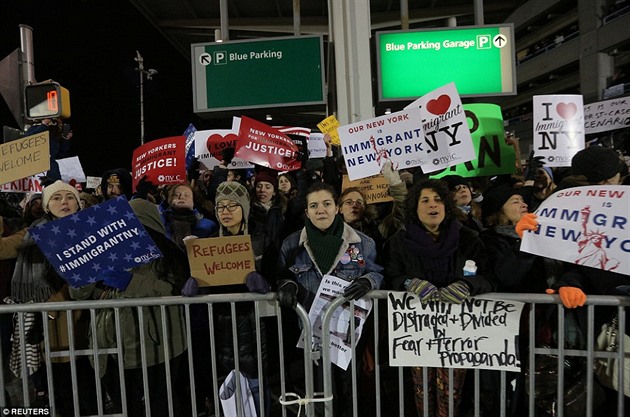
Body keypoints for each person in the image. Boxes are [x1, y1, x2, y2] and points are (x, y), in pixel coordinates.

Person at [69, 198, 190, 417]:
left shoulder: (168, 257)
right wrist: (87, 274)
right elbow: (78, 294)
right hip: (109, 349)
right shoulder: (105, 252)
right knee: (124, 408)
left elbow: (175, 290)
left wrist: (131, 283)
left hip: (156, 349)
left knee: (161, 406)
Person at [384, 179, 494, 417]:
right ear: (415, 207)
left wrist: (467, 284)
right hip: (417, 336)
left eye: (438, 200)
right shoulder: (399, 243)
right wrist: (408, 283)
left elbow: (489, 277)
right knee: (421, 392)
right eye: (425, 200)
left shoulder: (469, 239)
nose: (432, 205)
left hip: (459, 336)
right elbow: (391, 275)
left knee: (454, 395)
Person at [276, 181, 383, 416]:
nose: (320, 210)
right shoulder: (292, 245)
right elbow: (282, 276)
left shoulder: (363, 243)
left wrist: (369, 281)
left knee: (348, 391)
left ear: (337, 207)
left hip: (347, 338)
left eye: (326, 204)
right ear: (306, 212)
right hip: (309, 335)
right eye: (313, 206)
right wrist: (286, 285)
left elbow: (377, 272)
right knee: (315, 393)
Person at [4, 180, 96, 415]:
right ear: (46, 205)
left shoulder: (92, 229)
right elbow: (5, 247)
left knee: (85, 377)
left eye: (69, 197)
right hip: (51, 323)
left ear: (78, 203)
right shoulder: (34, 232)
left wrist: (55, 302)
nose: (63, 202)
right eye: (56, 198)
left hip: (83, 317)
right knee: (59, 380)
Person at [186, 180, 277, 416]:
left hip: (255, 330)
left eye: (232, 206)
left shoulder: (262, 238)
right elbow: (212, 282)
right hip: (222, 330)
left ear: (244, 208)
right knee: (231, 400)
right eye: (220, 207)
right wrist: (198, 284)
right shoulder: (209, 243)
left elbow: (278, 275)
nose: (225, 212)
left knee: (257, 395)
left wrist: (265, 282)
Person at [159, 182, 217, 250]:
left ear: (194, 201)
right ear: (170, 200)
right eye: (176, 195)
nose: (181, 197)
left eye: (186, 195)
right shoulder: (161, 223)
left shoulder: (208, 226)